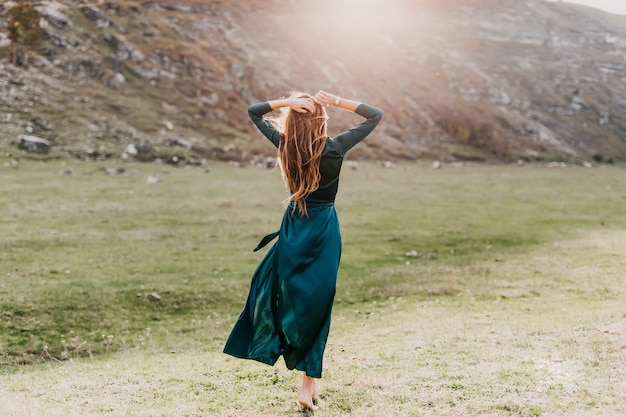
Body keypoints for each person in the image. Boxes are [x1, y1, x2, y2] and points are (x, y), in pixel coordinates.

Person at [223, 90, 383, 410]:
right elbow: (375, 114)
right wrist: (336, 100)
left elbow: (254, 112)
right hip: (324, 230)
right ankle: (307, 384)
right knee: (319, 302)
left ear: (292, 121)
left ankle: (304, 381)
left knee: (288, 295)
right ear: (321, 120)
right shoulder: (335, 148)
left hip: (295, 227)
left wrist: (286, 103)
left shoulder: (286, 146)